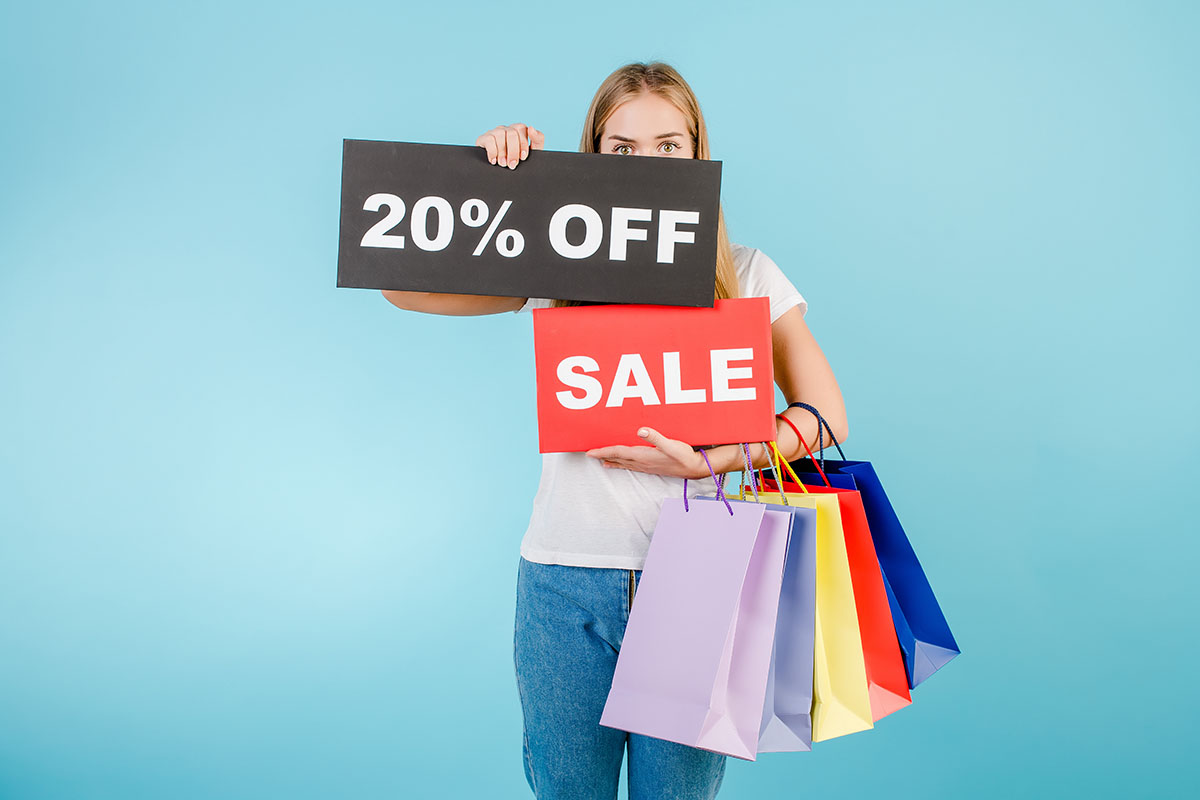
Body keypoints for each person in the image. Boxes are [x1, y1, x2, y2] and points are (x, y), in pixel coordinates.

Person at [382, 61, 848, 800]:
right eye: (622, 148)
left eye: (669, 145)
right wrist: (492, 182)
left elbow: (825, 415)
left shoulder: (748, 272)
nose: (648, 164)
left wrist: (718, 460)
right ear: (594, 159)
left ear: (698, 154)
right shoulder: (561, 266)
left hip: (698, 579)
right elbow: (402, 283)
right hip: (564, 583)